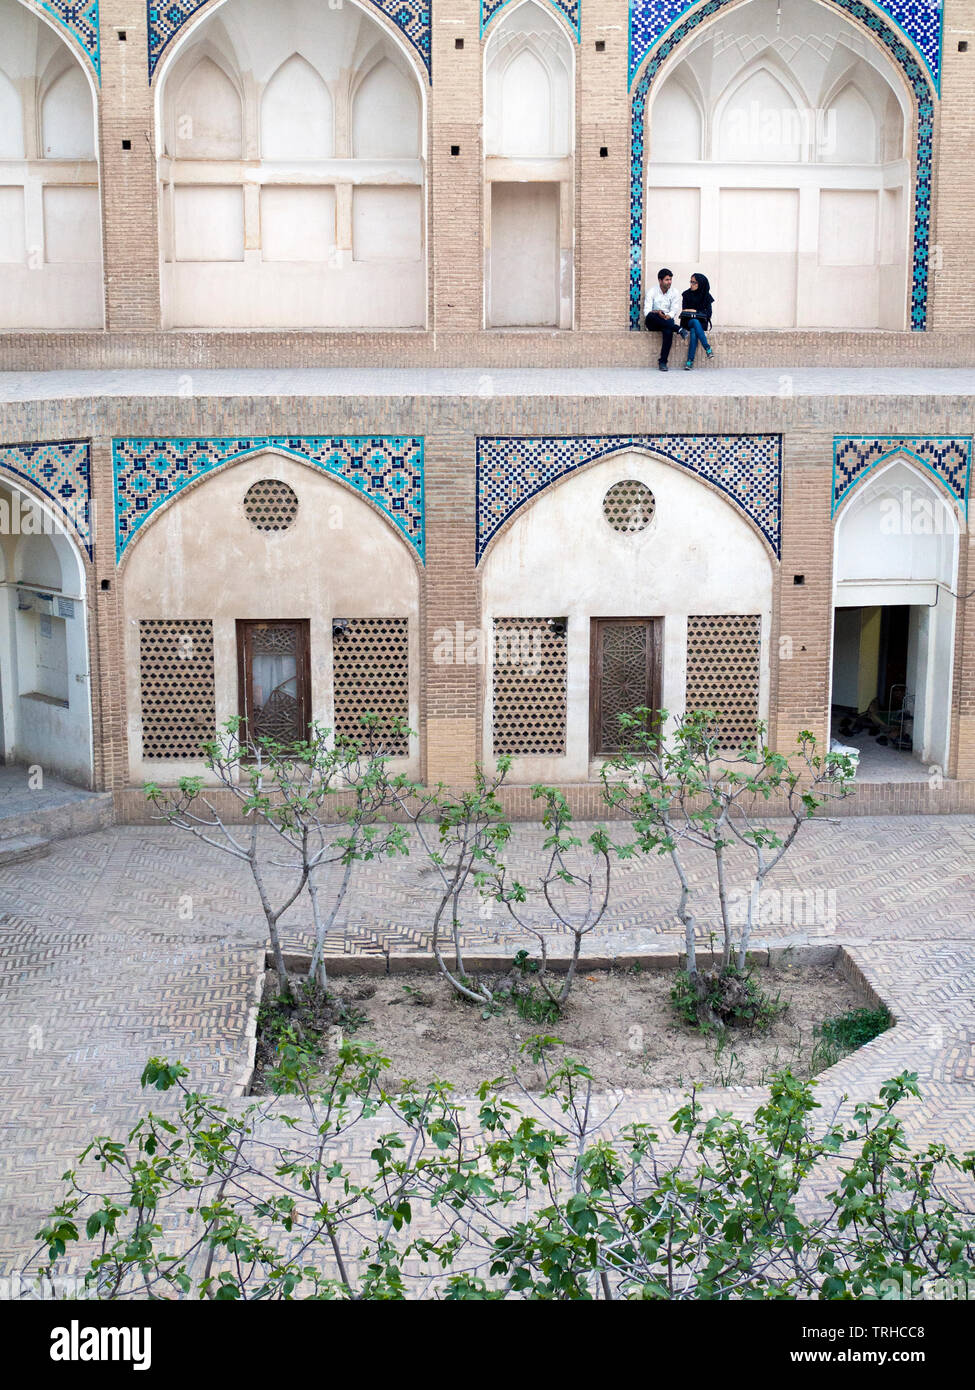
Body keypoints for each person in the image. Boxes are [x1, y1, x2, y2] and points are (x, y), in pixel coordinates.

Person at [644, 267, 681, 372]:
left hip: (667, 320)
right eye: (667, 280)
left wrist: (666, 316)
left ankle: (663, 362)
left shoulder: (674, 292)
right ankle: (677, 328)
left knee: (668, 330)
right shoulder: (652, 291)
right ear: (660, 280)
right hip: (654, 321)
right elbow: (647, 312)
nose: (669, 282)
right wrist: (658, 312)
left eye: (670, 279)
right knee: (651, 316)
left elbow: (674, 310)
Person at [679, 273, 715, 370]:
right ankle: (707, 348)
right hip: (688, 321)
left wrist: (695, 311)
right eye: (691, 282)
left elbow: (709, 314)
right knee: (694, 322)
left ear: (701, 284)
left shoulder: (706, 296)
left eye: (694, 282)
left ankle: (690, 361)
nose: (691, 284)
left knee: (694, 331)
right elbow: (684, 311)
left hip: (702, 323)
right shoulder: (686, 294)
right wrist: (697, 313)